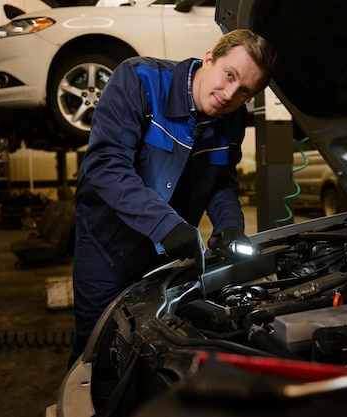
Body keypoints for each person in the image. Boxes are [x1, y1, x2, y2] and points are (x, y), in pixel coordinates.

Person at [68, 29, 276, 367]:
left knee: (154, 347)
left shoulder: (232, 118)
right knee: (96, 351)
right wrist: (166, 225)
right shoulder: (139, 80)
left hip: (166, 254)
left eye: (244, 91)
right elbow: (106, 165)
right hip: (107, 247)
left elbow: (221, 181)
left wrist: (230, 227)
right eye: (229, 75)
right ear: (209, 58)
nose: (230, 94)